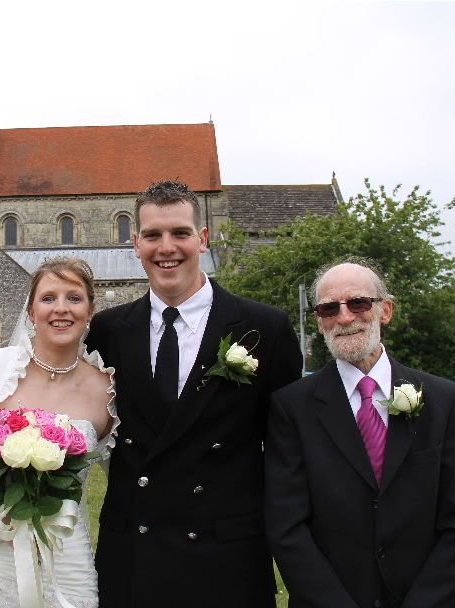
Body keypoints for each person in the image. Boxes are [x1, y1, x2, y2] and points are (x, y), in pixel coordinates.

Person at [84, 180, 303, 607]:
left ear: (202, 239)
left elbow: (289, 451)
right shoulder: (107, 331)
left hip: (226, 557)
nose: (166, 247)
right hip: (134, 553)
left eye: (180, 233)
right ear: (136, 244)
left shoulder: (264, 329)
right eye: (153, 235)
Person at [265, 260, 455, 608]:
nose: (344, 317)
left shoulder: (442, 401)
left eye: (358, 303)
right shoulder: (292, 407)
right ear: (319, 321)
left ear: (386, 311)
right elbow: (287, 526)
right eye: (329, 308)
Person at [0, 257, 118, 608]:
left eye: (74, 298)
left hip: (65, 556)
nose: (61, 308)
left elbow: (123, 472)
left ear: (90, 311)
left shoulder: (106, 390)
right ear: (31, 311)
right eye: (48, 298)